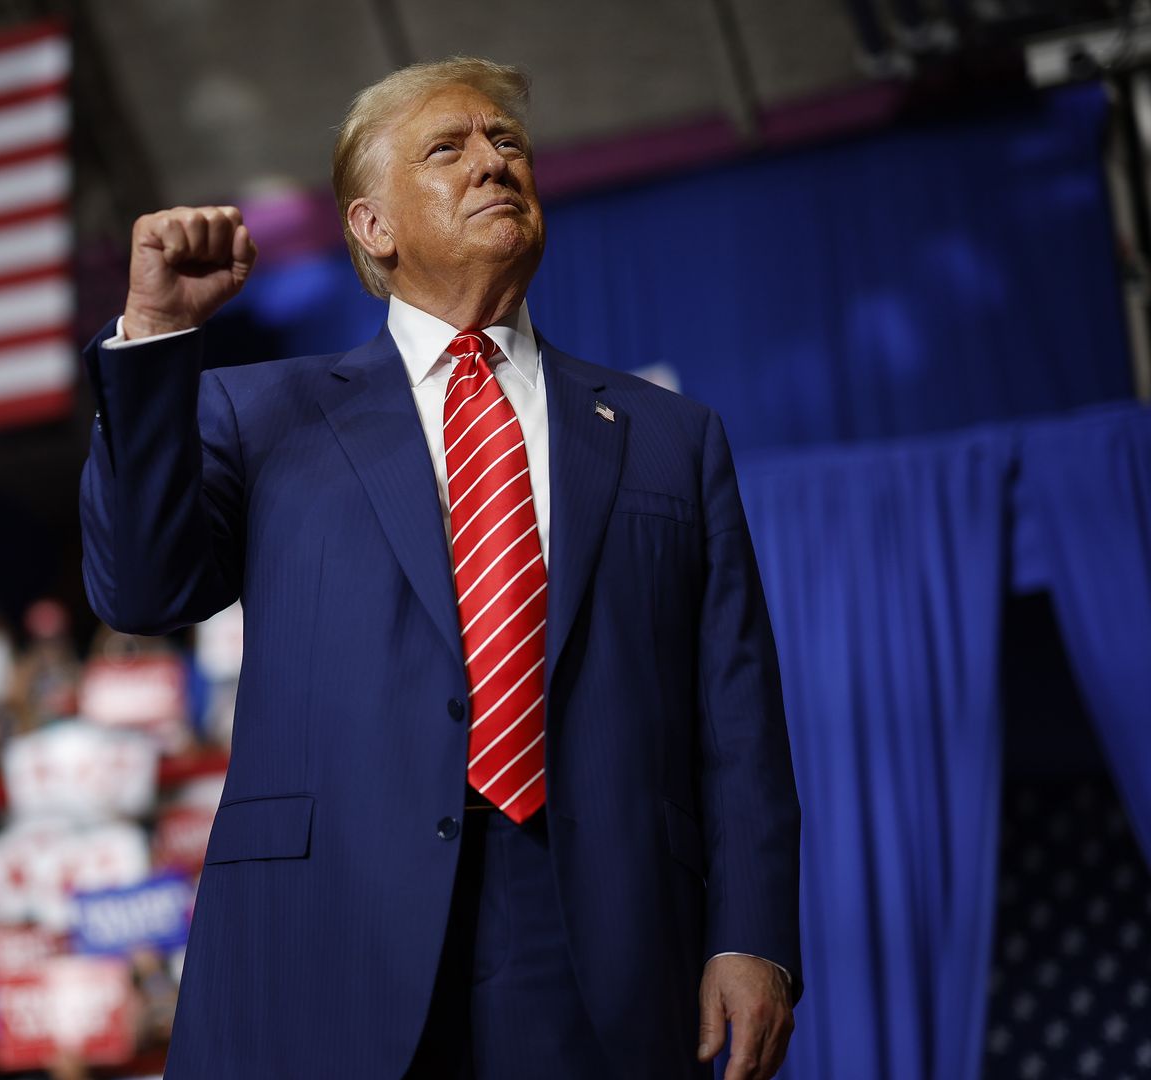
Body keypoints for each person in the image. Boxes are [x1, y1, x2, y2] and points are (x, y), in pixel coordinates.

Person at [78, 57, 801, 1079]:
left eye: (508, 144)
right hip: (327, 935)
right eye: (448, 149)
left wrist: (753, 933)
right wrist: (157, 338)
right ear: (372, 226)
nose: (493, 163)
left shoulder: (670, 437)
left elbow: (738, 716)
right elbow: (141, 590)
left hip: (599, 936)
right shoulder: (261, 413)